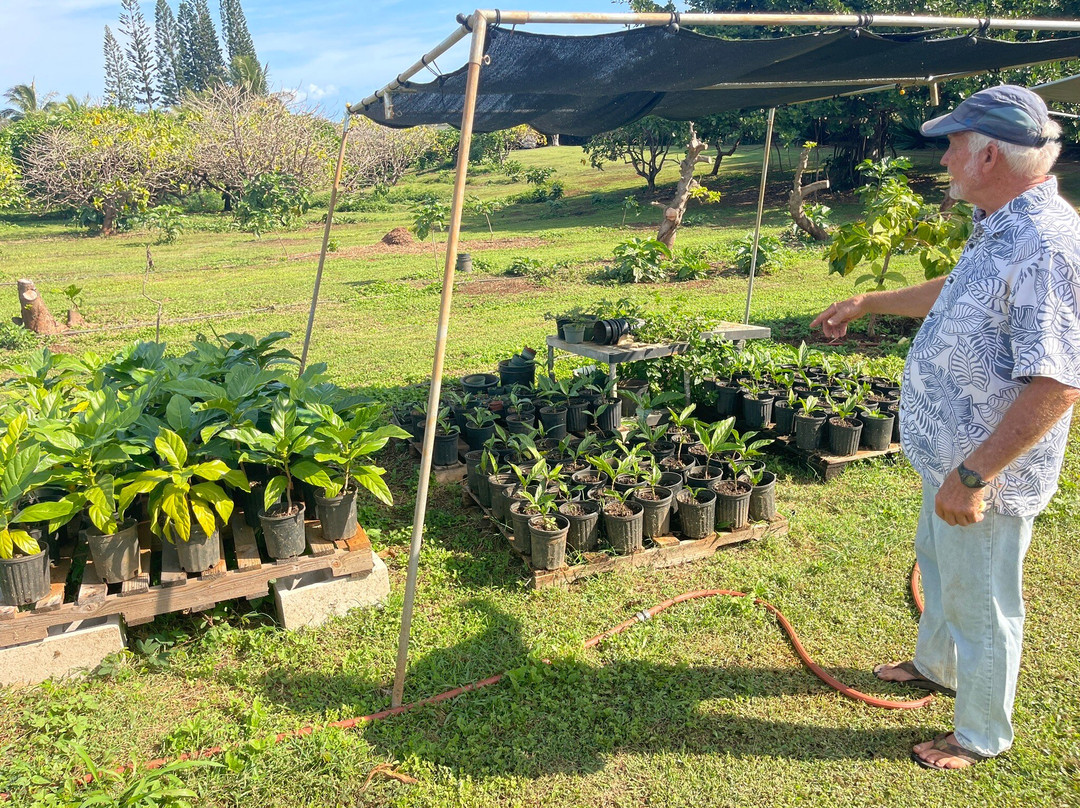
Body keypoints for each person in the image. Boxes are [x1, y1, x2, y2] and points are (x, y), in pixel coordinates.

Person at [810, 85, 1080, 770]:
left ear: (989, 156)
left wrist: (975, 475)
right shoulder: (999, 222)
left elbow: (1058, 384)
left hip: (984, 472)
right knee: (939, 568)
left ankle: (980, 733)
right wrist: (870, 301)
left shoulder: (1046, 246)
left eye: (953, 146)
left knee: (982, 601)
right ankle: (937, 665)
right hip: (950, 457)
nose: (944, 160)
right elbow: (956, 289)